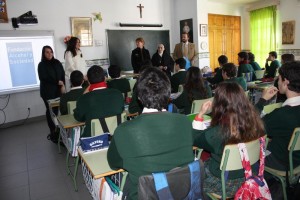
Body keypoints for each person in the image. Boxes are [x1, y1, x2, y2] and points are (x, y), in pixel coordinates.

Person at [108, 67, 194, 199]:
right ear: (168, 94)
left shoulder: (124, 131)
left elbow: (114, 164)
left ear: (139, 98)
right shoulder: (185, 122)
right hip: (182, 194)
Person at [193, 82, 265, 197]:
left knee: (192, 175)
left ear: (219, 104)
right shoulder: (256, 124)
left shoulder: (218, 133)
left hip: (224, 183)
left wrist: (200, 115)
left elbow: (194, 138)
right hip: (250, 176)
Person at [255, 61, 300, 171]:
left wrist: (262, 100)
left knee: (251, 153)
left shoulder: (282, 114)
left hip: (283, 161)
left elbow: (252, 126)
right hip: (296, 158)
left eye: (279, 79)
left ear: (286, 82)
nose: (277, 82)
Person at [73, 65, 124, 137]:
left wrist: (84, 94)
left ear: (88, 82)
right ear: (105, 78)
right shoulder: (117, 94)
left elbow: (78, 117)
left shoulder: (84, 99)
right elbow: (121, 110)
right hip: (117, 136)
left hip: (93, 141)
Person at [38, 45, 65, 143]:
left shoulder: (57, 62)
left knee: (56, 110)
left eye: (51, 52)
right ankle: (53, 131)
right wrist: (56, 82)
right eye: (47, 52)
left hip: (58, 91)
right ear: (43, 53)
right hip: (47, 92)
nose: (49, 54)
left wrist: (62, 84)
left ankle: (58, 129)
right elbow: (43, 78)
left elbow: (62, 74)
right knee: (50, 111)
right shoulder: (41, 64)